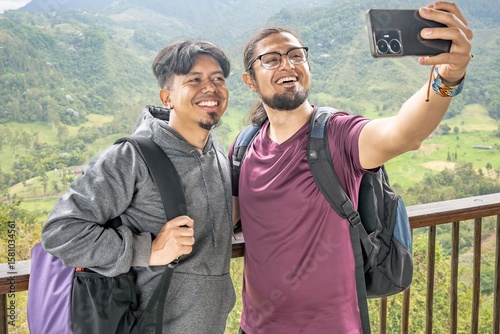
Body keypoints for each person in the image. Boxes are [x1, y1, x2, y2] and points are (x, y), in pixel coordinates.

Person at [230, 2, 472, 333]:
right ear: (250, 81)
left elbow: (403, 133)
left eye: (296, 55)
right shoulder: (244, 147)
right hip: (255, 327)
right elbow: (222, 218)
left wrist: (447, 76)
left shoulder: (336, 134)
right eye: (271, 59)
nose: (287, 64)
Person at [42, 40, 235, 333]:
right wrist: (149, 251)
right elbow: (60, 232)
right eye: (194, 79)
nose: (210, 88)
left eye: (218, 79)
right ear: (166, 97)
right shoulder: (131, 158)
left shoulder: (218, 157)